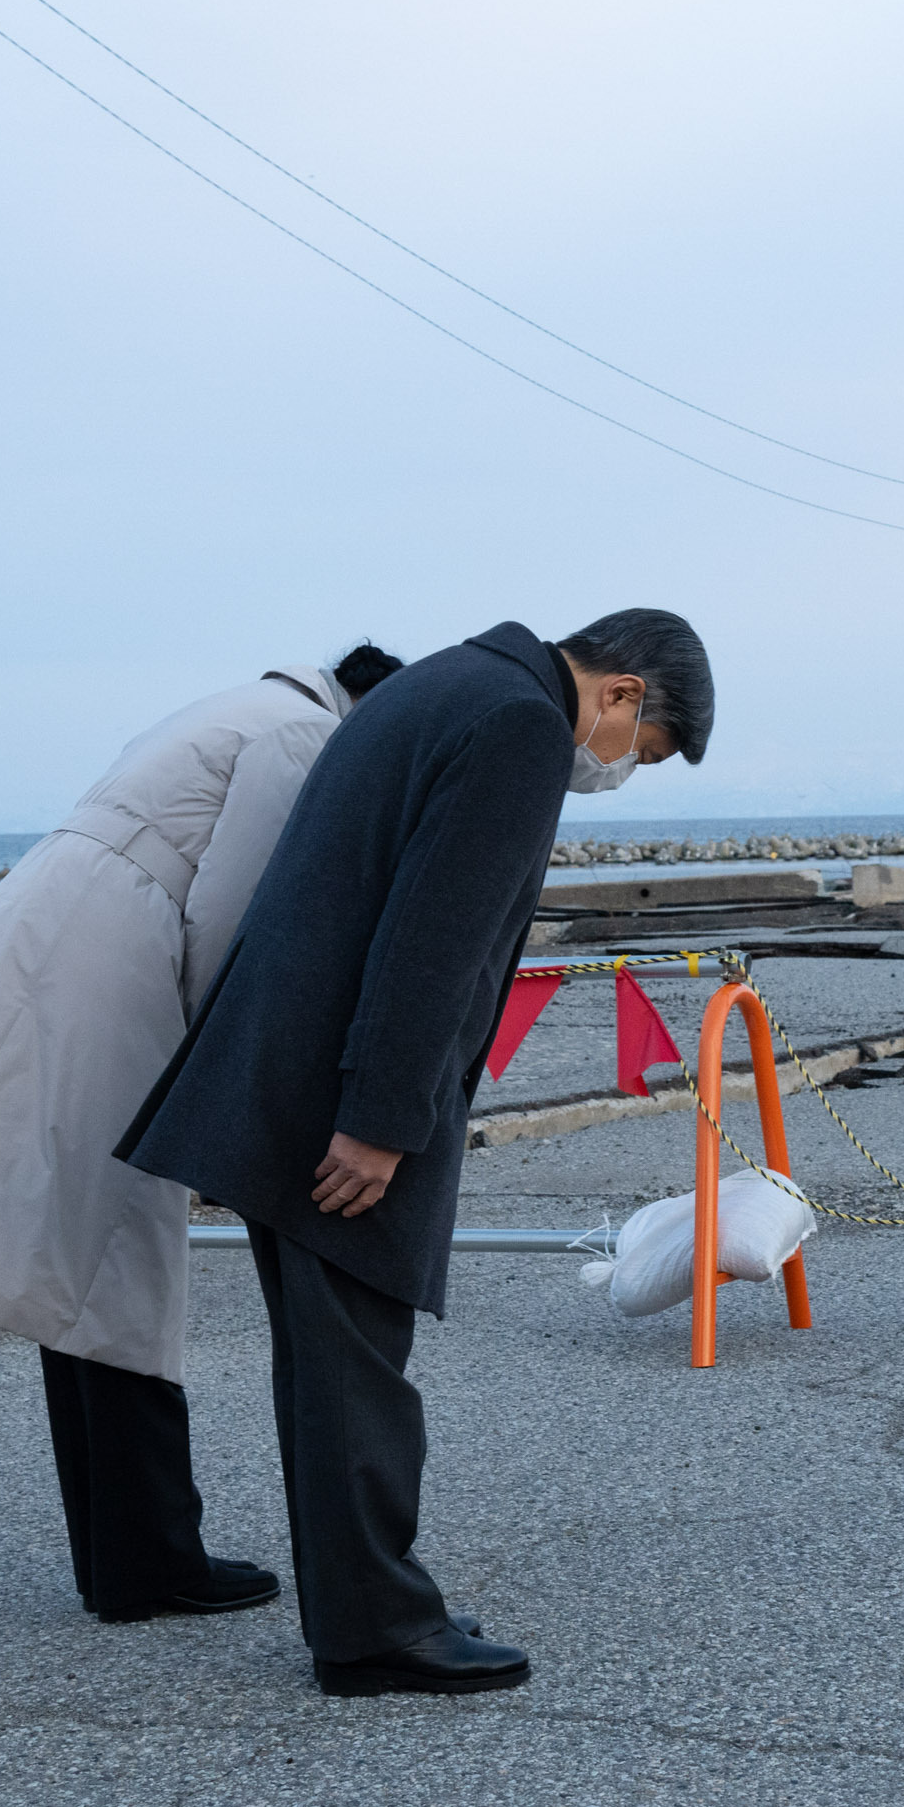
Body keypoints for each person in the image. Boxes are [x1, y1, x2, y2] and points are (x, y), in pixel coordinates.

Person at [119, 611, 712, 1697]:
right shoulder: (523, 725)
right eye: (646, 750)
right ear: (622, 694)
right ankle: (375, 1627)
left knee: (325, 1358)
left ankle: (363, 1601)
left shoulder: (452, 682)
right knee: (357, 1362)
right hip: (338, 1084)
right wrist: (384, 1117)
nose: (624, 769)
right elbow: (435, 931)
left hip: (287, 1060)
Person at [0, 643, 409, 1624]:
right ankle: (151, 1558)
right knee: (122, 1257)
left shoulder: (240, 703)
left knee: (82, 1255)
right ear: (375, 710)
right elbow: (236, 912)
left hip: (62, 931)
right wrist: (231, 1080)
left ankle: (121, 1550)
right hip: (118, 958)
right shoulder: (302, 735)